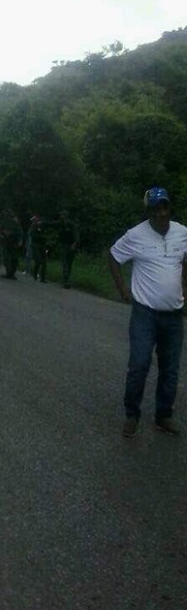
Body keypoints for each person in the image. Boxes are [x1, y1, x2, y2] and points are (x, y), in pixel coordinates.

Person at [108, 186, 187, 438]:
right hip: (145, 314)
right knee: (140, 364)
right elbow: (113, 257)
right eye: (156, 208)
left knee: (170, 368)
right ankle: (132, 414)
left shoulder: (182, 233)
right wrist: (123, 291)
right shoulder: (135, 235)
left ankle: (163, 415)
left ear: (169, 207)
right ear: (149, 211)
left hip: (174, 315)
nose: (161, 212)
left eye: (164, 206)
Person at [57, 210, 79, 288]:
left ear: (65, 216)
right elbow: (52, 224)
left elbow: (76, 234)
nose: (60, 217)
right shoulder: (61, 224)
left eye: (61, 215)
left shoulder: (71, 224)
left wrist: (74, 243)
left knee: (69, 263)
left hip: (70, 245)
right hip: (63, 245)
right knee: (65, 262)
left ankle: (67, 279)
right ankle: (66, 281)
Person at [0, 209, 23, 279]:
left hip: (13, 242)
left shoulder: (15, 221)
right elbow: (0, 229)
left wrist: (20, 240)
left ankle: (12, 273)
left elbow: (20, 232)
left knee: (14, 258)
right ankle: (8, 273)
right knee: (6, 257)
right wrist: (2, 233)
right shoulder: (4, 221)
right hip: (6, 242)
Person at [30, 215, 48, 282]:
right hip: (35, 244)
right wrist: (41, 236)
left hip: (43, 245)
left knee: (44, 261)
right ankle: (35, 274)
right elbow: (32, 235)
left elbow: (46, 234)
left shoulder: (43, 226)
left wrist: (44, 237)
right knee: (38, 260)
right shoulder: (33, 226)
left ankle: (43, 277)